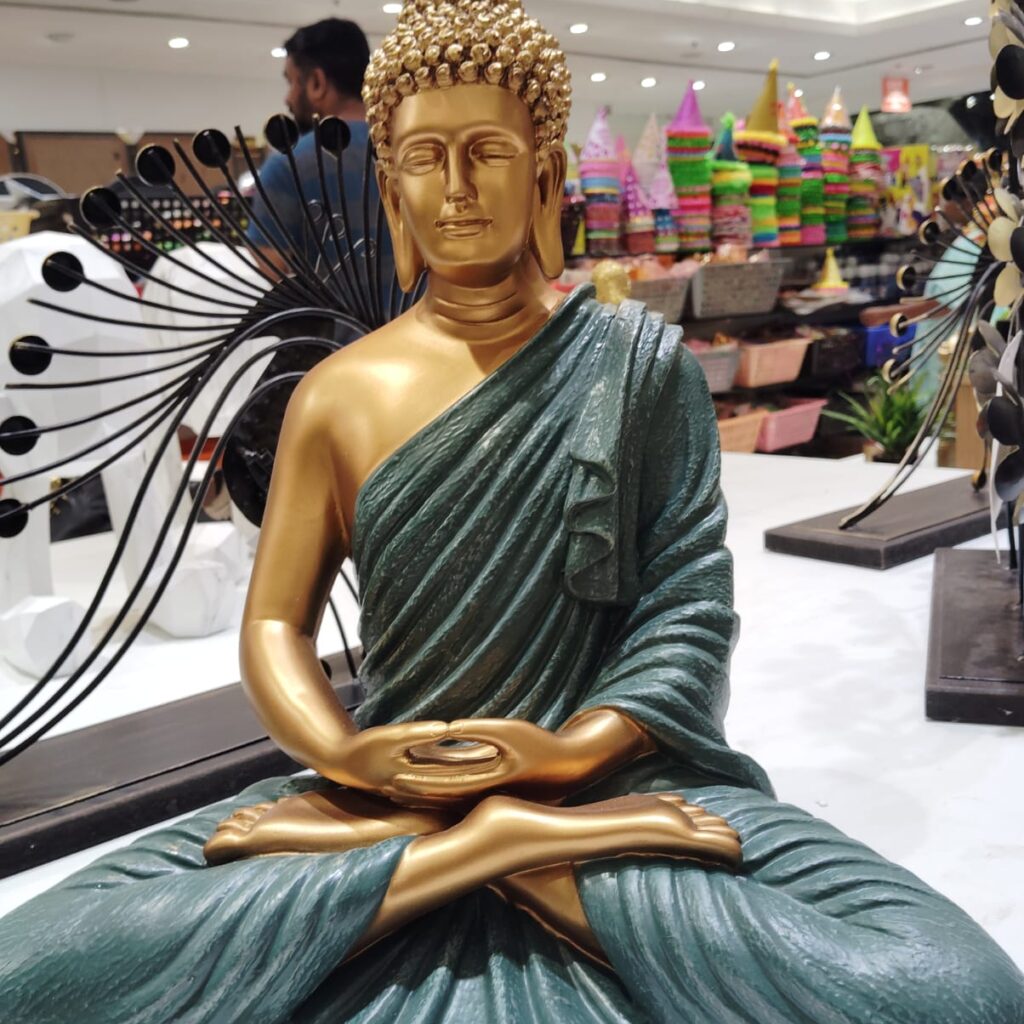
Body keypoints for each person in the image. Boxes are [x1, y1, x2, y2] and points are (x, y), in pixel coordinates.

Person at [2, 3, 1024, 1022]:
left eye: (487, 151)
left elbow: (688, 614)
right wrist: (348, 755)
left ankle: (473, 852)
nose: (455, 188)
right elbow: (275, 626)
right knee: (28, 967)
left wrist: (571, 754)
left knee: (957, 991)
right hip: (388, 780)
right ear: (389, 182)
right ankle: (482, 849)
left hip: (602, 786)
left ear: (544, 171)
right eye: (424, 157)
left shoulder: (638, 365)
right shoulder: (337, 393)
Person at [247, 17, 390, 285]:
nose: (288, 98)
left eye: (292, 82)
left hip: (332, 315)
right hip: (429, 313)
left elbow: (267, 273)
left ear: (316, 82)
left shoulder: (288, 166)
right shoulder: (415, 151)